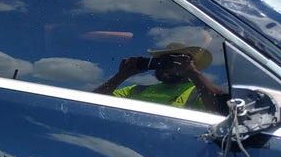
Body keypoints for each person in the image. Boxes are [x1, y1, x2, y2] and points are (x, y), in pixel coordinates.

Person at [94, 42, 228, 113]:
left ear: (191, 64)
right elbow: (94, 104)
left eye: (174, 61)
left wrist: (194, 74)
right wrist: (121, 75)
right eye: (163, 60)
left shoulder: (198, 92)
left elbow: (221, 110)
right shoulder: (136, 90)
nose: (167, 65)